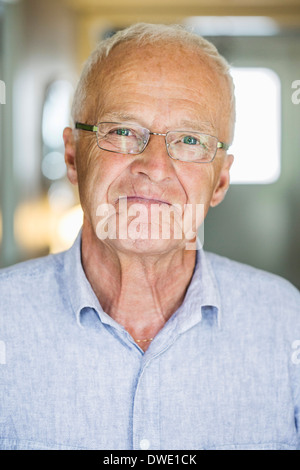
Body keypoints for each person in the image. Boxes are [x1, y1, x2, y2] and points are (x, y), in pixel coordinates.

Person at [0, 23, 299, 451]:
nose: (154, 166)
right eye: (122, 131)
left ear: (220, 183)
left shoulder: (287, 322)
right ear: (72, 158)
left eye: (190, 140)